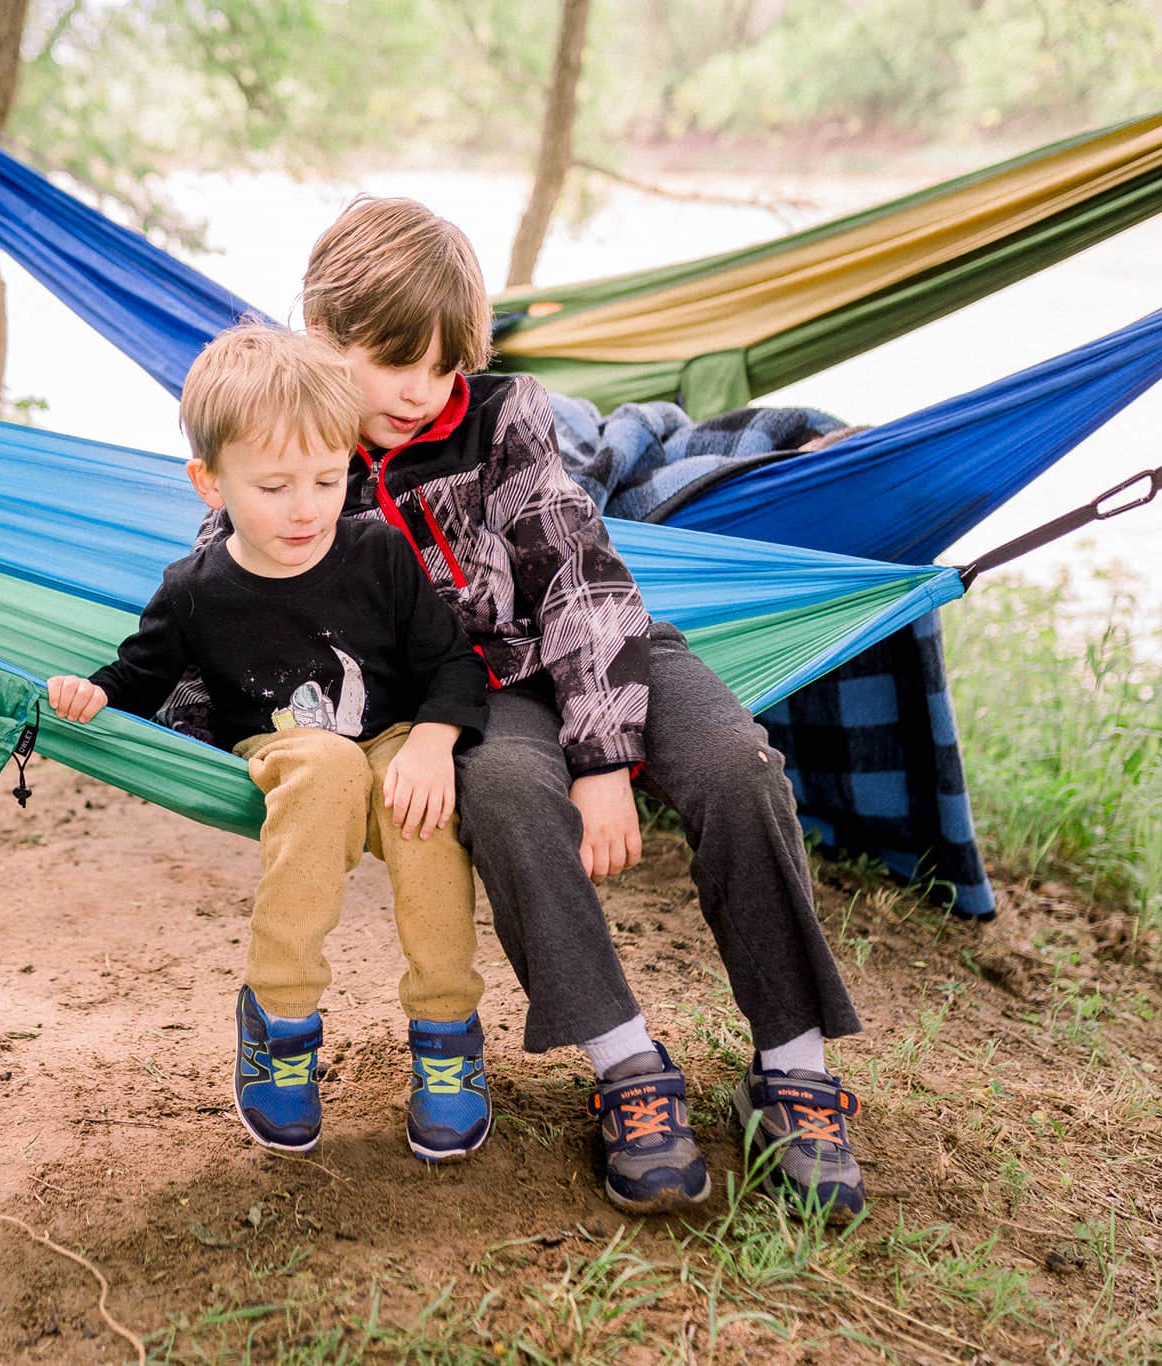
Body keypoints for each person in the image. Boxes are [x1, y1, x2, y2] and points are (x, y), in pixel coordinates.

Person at [298, 196, 866, 1220]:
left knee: (737, 769)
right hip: (476, 689)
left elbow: (575, 572)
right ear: (323, 336)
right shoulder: (298, 449)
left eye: (440, 368)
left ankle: (792, 1066)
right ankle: (625, 1067)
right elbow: (243, 570)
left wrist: (603, 761)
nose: (420, 392)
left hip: (606, 642)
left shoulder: (501, 413)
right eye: (393, 363)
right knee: (509, 792)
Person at [46, 324, 496, 1163]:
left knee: (422, 805)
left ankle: (447, 1034)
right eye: (275, 486)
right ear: (208, 483)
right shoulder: (195, 592)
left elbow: (451, 664)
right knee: (325, 764)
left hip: (393, 738)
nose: (306, 507)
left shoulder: (378, 554)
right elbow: (137, 677)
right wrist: (93, 693)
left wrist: (434, 743)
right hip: (282, 753)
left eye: (328, 479)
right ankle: (281, 1020)